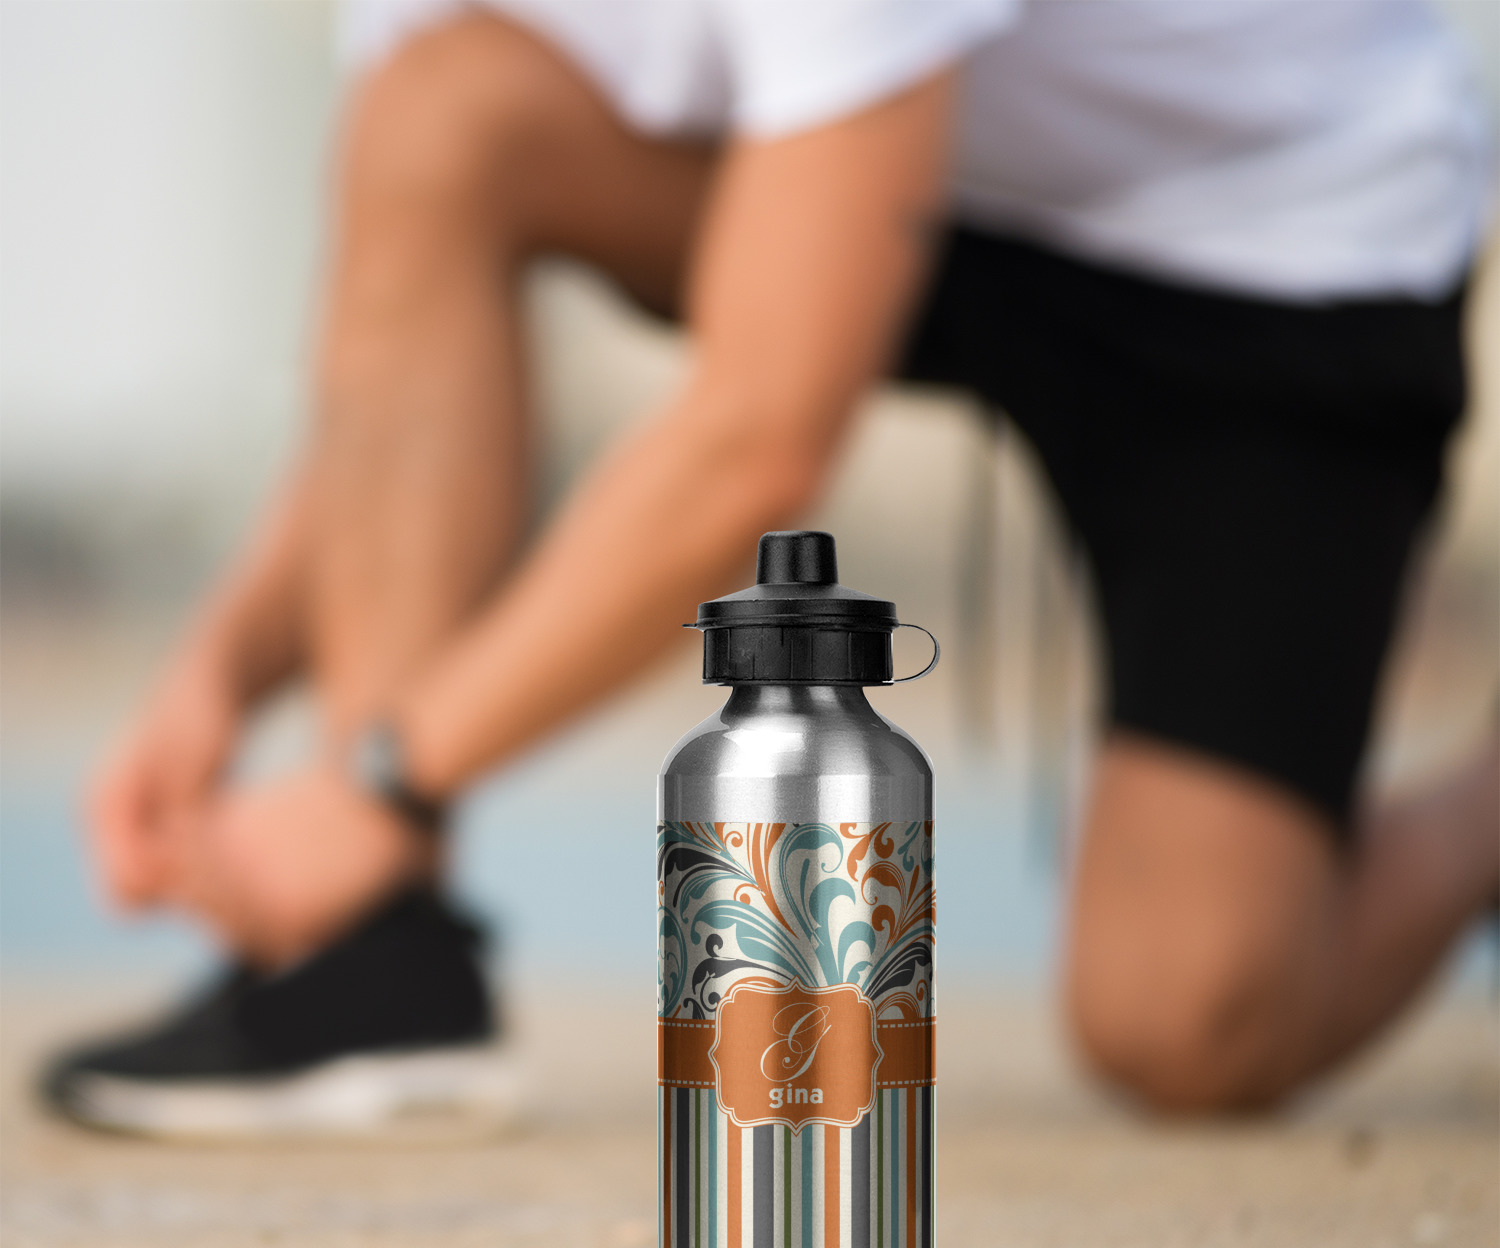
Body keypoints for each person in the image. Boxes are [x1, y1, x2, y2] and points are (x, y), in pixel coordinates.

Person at [45, 0, 1498, 1133]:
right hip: (912, 182)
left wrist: (388, 781)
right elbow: (398, 368)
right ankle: (374, 952)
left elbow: (759, 438)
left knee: (1189, 1028)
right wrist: (220, 669)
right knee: (442, 113)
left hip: (1264, 243)